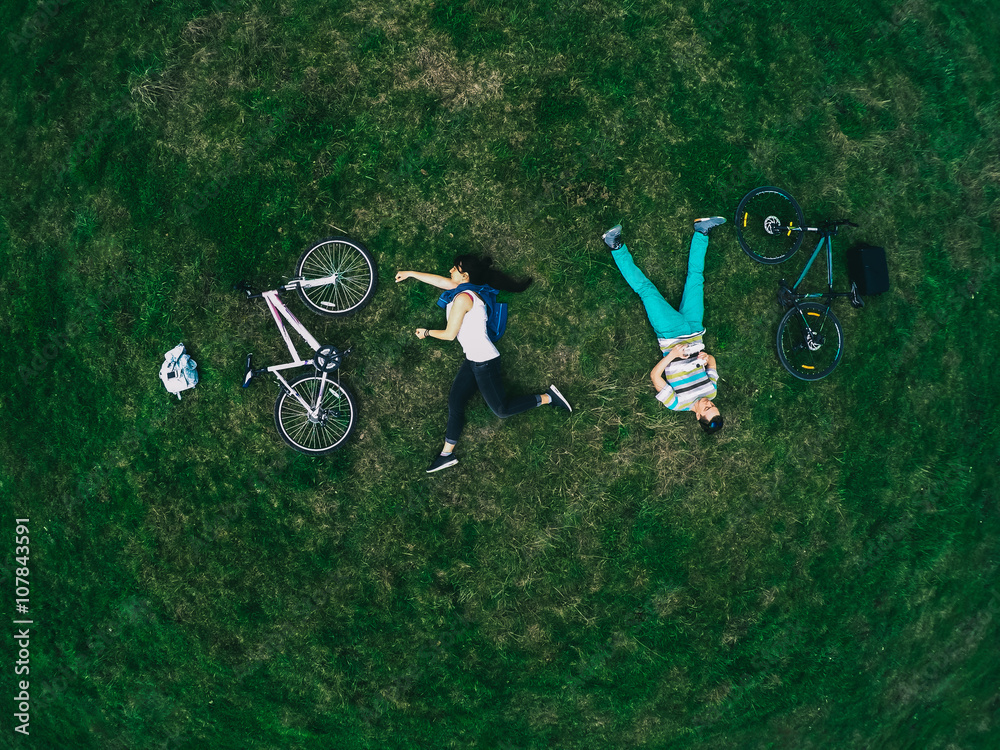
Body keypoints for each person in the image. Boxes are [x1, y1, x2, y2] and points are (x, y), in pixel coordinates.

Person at [395, 255, 572, 473]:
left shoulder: (463, 298)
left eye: (455, 268)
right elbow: (440, 281)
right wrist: (411, 273)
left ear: (465, 275)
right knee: (455, 400)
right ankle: (446, 455)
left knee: (502, 410)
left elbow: (450, 335)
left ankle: (548, 397)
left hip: (484, 362)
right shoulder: (464, 289)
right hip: (473, 359)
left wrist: (427, 332)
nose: (450, 270)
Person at [602, 218, 726, 434]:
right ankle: (701, 232)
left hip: (672, 334)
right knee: (696, 278)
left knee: (646, 290)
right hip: (695, 329)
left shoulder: (676, 403)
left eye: (707, 408)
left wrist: (671, 356)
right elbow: (712, 362)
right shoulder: (712, 391)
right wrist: (706, 358)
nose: (709, 402)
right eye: (713, 405)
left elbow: (655, 377)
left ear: (698, 416)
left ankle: (615, 245)